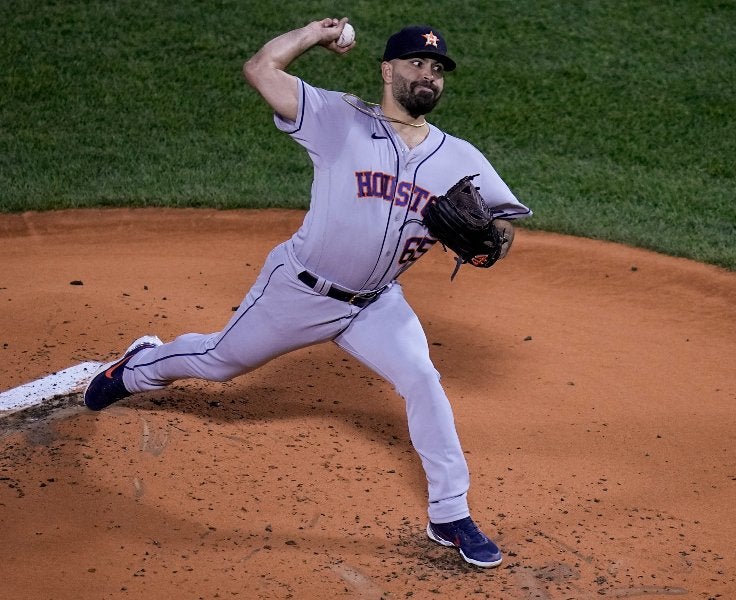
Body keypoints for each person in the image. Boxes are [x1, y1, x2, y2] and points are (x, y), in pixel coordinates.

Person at [83, 17, 531, 568]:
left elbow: (505, 223)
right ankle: (136, 368)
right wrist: (316, 35)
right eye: (416, 63)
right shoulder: (337, 118)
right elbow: (260, 68)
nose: (428, 76)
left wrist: (490, 245)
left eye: (437, 69)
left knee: (422, 379)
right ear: (387, 70)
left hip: (376, 304)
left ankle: (450, 515)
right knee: (218, 360)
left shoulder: (460, 158)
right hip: (299, 290)